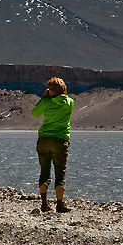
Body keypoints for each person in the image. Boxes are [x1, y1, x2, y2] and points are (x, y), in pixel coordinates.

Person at [31, 77, 74, 213]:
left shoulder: (47, 102)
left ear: (51, 91)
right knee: (60, 172)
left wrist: (44, 98)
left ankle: (44, 204)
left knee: (45, 171)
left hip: (44, 139)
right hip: (60, 140)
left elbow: (35, 113)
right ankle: (59, 204)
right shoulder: (70, 103)